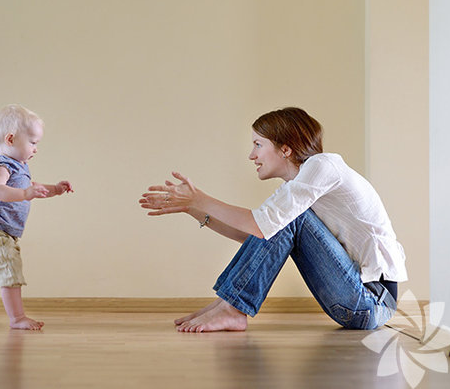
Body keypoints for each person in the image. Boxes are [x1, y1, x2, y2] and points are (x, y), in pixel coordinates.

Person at [139, 107, 407, 333]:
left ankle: (232, 308)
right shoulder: (298, 186)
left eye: (258, 144)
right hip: (354, 301)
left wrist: (200, 199)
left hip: (371, 301)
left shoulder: (323, 166)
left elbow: (261, 226)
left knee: (280, 221)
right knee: (274, 224)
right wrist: (192, 208)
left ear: (286, 149)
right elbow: (258, 237)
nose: (251, 155)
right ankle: (226, 304)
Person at [0, 104, 74, 330]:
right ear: (10, 139)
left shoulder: (21, 166)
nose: (36, 149)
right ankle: (17, 318)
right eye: (33, 142)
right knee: (11, 272)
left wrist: (55, 189)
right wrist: (25, 193)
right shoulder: (1, 165)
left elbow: (33, 187)